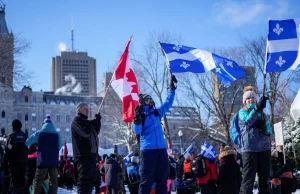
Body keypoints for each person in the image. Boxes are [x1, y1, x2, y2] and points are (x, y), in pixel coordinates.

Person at [133, 75, 177, 194]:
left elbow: (168, 103)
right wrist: (136, 120)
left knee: (162, 179)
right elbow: (136, 131)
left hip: (162, 149)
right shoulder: (140, 115)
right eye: (148, 99)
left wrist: (172, 89)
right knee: (146, 180)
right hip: (148, 150)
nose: (151, 101)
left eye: (151, 99)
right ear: (143, 102)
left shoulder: (157, 112)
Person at [238, 86, 272, 194]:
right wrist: (256, 109)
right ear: (245, 101)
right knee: (248, 180)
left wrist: (265, 130)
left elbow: (269, 129)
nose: (251, 100)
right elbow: (247, 121)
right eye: (248, 98)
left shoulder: (263, 114)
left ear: (256, 99)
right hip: (249, 149)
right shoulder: (242, 112)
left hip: (264, 148)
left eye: (253, 98)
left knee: (265, 180)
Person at [26, 115, 62, 194]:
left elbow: (27, 142)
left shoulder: (39, 133)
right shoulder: (57, 134)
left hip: (42, 161)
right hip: (53, 162)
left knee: (38, 180)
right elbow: (59, 146)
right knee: (53, 181)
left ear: (43, 124)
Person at [71, 102, 101, 194]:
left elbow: (95, 132)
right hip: (83, 157)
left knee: (90, 183)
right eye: (85, 108)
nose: (87, 110)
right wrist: (93, 122)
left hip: (91, 157)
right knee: (84, 183)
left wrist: (97, 122)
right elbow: (86, 132)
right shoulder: (76, 121)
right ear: (79, 110)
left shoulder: (87, 123)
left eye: (88, 109)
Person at [3, 119, 28, 194]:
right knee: (22, 182)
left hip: (14, 164)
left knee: (15, 184)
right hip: (23, 163)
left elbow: (7, 151)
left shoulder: (11, 137)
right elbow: (27, 149)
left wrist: (5, 165)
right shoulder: (25, 136)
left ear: (13, 127)